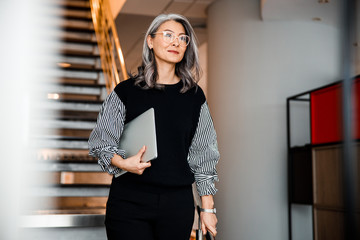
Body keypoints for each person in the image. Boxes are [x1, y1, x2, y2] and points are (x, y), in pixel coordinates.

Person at [88, 13, 220, 240]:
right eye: (168, 35)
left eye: (182, 38)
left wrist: (208, 209)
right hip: (129, 201)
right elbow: (100, 143)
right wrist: (122, 162)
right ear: (150, 41)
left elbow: (203, 155)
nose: (176, 42)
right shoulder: (125, 92)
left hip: (176, 204)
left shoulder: (195, 97)